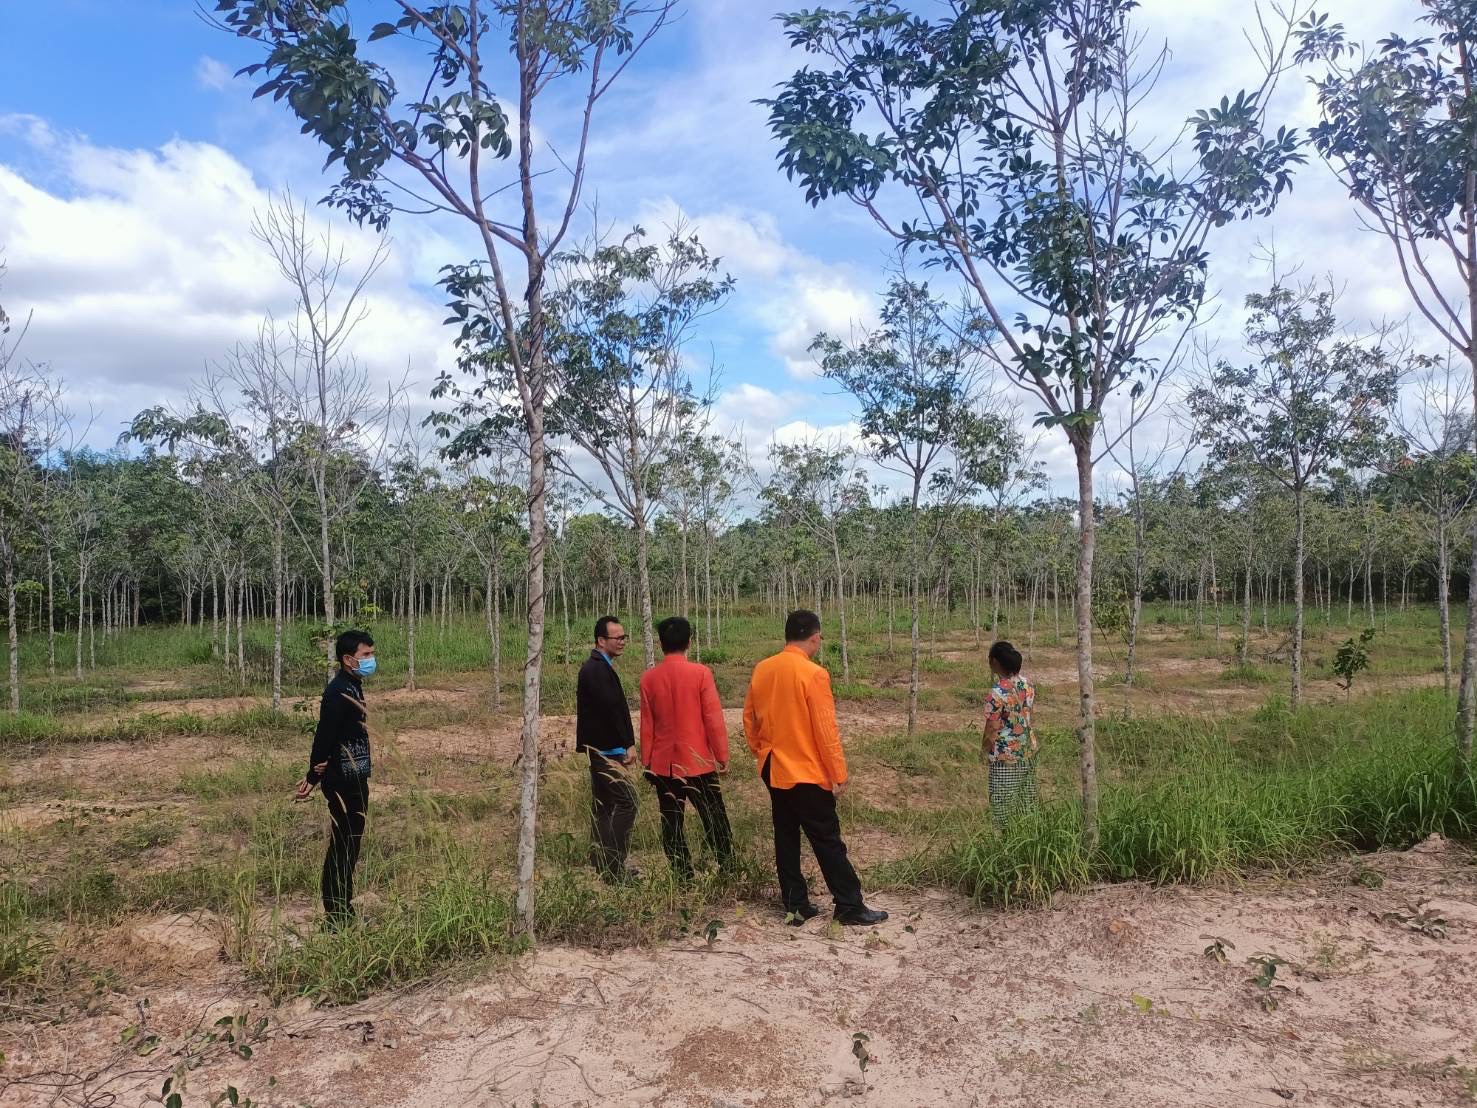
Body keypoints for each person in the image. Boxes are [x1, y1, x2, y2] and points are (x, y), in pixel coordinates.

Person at [743, 609, 887, 927]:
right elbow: (825, 730)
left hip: (773, 767)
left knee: (786, 836)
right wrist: (839, 773)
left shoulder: (763, 669)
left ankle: (795, 906)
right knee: (826, 839)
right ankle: (849, 904)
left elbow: (749, 718)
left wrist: (761, 751)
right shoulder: (813, 674)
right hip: (805, 771)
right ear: (815, 638)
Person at [639, 615, 735, 879]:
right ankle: (727, 866)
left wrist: (647, 760)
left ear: (660, 644)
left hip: (664, 764)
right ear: (689, 641)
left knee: (671, 821)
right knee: (714, 816)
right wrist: (722, 755)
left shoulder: (648, 679)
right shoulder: (701, 673)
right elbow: (712, 719)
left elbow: (647, 724)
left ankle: (682, 875)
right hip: (699, 761)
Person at [295, 629, 376, 927]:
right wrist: (312, 774)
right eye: (365, 655)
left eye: (371, 654)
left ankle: (343, 909)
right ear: (347, 659)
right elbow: (324, 737)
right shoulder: (338, 692)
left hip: (355, 777)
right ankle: (336, 915)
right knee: (343, 845)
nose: (371, 659)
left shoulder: (353, 685)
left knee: (351, 844)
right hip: (342, 781)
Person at [576, 615, 639, 882]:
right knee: (628, 802)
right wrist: (628, 743)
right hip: (606, 750)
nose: (623, 642)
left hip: (601, 748)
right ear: (601, 640)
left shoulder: (600, 666)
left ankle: (600, 860)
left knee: (604, 805)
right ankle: (613, 866)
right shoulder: (597, 670)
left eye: (624, 637)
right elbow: (612, 710)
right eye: (618, 637)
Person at [980, 640, 1038, 827]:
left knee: (1002, 805)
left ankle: (1005, 839)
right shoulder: (1028, 684)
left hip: (1005, 755)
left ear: (995, 663)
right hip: (1027, 749)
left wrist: (983, 752)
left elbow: (992, 728)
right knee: (1025, 802)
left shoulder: (997, 693)